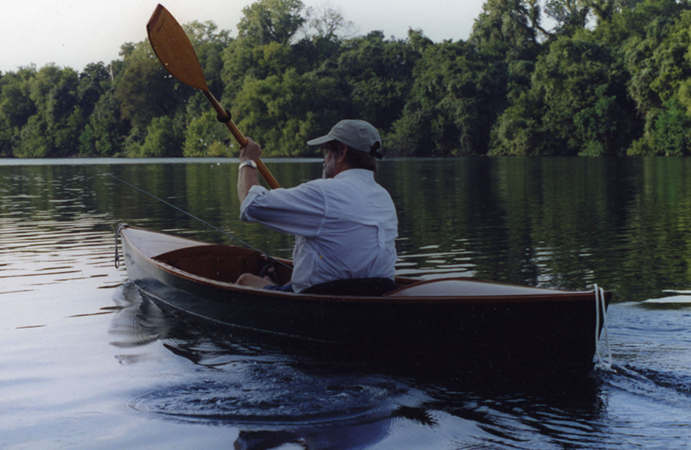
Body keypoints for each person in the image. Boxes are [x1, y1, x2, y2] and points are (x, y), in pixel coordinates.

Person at [235, 119, 398, 294]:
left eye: (326, 152)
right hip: (377, 293)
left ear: (342, 152)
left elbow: (250, 205)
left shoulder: (323, 192)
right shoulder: (384, 197)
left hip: (324, 300)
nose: (324, 160)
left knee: (245, 280)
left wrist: (248, 161)